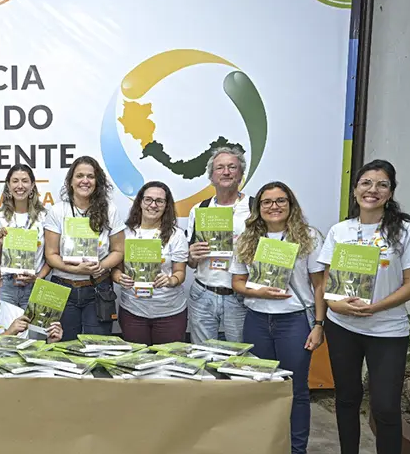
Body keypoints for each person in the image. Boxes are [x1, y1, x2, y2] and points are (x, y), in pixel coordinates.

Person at [317, 160, 410, 454]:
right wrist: (335, 305)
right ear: (355, 191)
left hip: (387, 330)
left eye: (382, 184)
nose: (372, 189)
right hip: (342, 327)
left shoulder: (406, 232)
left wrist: (376, 307)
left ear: (391, 192)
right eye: (366, 183)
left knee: (384, 408)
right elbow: (326, 281)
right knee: (347, 398)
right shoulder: (340, 231)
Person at [230, 182, 326, 454]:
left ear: (291, 204)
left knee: (295, 392)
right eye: (267, 202)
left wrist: (319, 325)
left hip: (294, 321)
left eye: (280, 200)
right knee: (262, 387)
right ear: (258, 207)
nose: (274, 206)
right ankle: (264, 449)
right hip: (257, 320)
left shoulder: (308, 237)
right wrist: (260, 293)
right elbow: (237, 283)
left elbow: (319, 285)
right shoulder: (248, 238)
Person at [43, 156, 125, 341]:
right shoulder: (57, 211)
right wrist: (75, 269)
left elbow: (119, 251)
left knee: (96, 347)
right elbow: (51, 255)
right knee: (64, 347)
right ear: (70, 181)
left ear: (98, 182)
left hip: (98, 288)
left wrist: (100, 266)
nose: (85, 181)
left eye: (91, 176)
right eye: (79, 176)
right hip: (63, 288)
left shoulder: (109, 210)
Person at [185, 146, 253, 343]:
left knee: (239, 359)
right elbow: (190, 262)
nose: (226, 172)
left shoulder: (254, 208)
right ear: (211, 176)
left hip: (239, 296)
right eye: (220, 168)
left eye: (232, 167)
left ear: (241, 174)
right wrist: (193, 255)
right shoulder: (199, 209)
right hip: (203, 293)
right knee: (203, 357)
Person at [112, 181, 188, 345]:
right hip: (133, 311)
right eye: (148, 199)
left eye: (159, 201)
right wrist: (119, 278)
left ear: (166, 205)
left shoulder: (177, 235)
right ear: (140, 202)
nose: (153, 205)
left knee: (167, 363)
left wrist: (171, 280)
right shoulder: (124, 233)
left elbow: (180, 272)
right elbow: (115, 270)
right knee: (136, 362)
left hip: (169, 312)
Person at [0, 163, 50, 307]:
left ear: (32, 185)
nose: (20, 186)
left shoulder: (45, 217)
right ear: (8, 185)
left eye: (25, 181)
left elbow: (51, 255)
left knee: (33, 330)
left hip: (35, 285)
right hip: (6, 285)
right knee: (7, 329)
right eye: (15, 181)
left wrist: (39, 277)